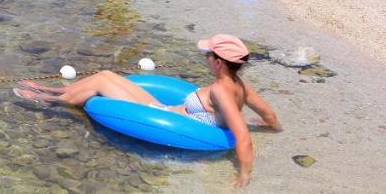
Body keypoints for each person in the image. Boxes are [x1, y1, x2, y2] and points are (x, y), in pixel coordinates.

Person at [14, 34, 280, 189]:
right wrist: (273, 127)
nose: (205, 59)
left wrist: (243, 174)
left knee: (102, 82)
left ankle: (50, 98)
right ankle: (54, 90)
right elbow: (268, 114)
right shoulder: (239, 85)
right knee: (105, 74)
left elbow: (242, 135)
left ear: (219, 62)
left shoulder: (221, 91)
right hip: (163, 109)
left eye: (207, 56)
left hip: (162, 116)